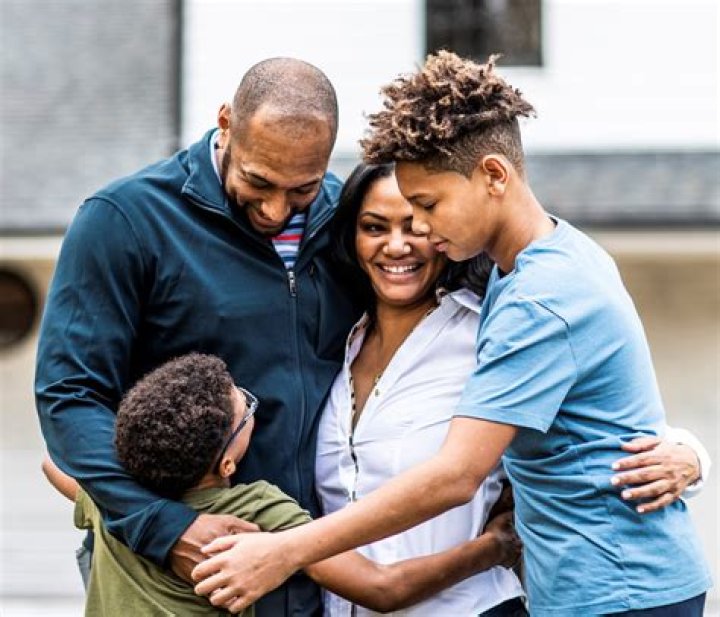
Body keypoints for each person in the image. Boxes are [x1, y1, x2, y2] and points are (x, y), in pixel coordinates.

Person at [192, 52, 713, 616]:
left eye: (428, 205)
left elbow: (457, 475)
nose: (419, 227)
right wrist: (689, 452)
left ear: (494, 175)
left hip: (620, 590)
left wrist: (285, 550)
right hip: (590, 586)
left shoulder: (540, 296)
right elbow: (597, 417)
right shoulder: (538, 267)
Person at [34, 57, 360, 616]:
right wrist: (167, 528)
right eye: (258, 181)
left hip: (309, 571)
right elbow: (70, 396)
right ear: (225, 123)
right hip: (169, 570)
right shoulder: (125, 220)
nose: (276, 210)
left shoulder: (348, 221)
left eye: (301, 189)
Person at [314, 162, 710, 617]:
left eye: (419, 219)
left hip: (477, 606)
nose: (399, 243)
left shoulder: (493, 328)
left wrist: (691, 454)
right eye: (374, 227)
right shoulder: (331, 340)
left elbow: (593, 416)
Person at [42, 353, 522, 616]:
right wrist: (492, 548)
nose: (251, 403)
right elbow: (382, 588)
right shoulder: (254, 508)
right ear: (227, 462)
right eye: (245, 407)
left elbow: (53, 465)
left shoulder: (114, 501)